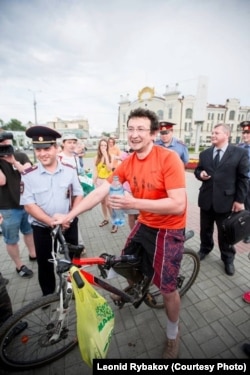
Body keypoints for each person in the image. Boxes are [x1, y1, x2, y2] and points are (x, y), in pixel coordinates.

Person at [53, 107, 187, 359]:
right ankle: (136, 290)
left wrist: (134, 204)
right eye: (131, 128)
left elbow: (178, 203)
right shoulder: (129, 162)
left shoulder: (168, 159)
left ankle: (173, 334)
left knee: (167, 287)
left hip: (168, 229)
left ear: (153, 133)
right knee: (125, 261)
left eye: (141, 129)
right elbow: (99, 192)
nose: (134, 134)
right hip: (145, 223)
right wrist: (69, 216)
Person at [20, 126, 83, 297]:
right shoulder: (28, 175)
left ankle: (76, 291)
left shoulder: (69, 170)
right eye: (38, 149)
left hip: (68, 224)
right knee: (45, 262)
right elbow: (29, 205)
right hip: (42, 228)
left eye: (47, 148)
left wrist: (69, 217)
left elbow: (78, 194)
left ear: (56, 148)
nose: (42, 153)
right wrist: (52, 222)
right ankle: (48, 296)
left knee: (72, 260)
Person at [194, 123, 249, 276]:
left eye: (216, 132)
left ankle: (228, 258)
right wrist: (200, 174)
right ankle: (205, 248)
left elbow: (243, 178)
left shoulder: (239, 153)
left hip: (226, 202)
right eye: (212, 132)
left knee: (225, 233)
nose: (213, 135)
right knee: (205, 229)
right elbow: (198, 170)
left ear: (227, 135)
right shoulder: (205, 153)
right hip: (206, 200)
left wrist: (239, 200)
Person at [0, 131, 36, 279]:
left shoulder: (20, 155)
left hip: (26, 204)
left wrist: (13, 161)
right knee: (12, 239)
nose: (5, 147)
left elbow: (28, 172)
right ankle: (19, 265)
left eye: (7, 143)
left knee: (29, 232)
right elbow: (2, 181)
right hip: (7, 207)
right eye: (2, 145)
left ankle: (33, 254)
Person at [93, 138, 117, 233]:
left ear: (107, 147)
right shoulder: (96, 157)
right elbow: (96, 170)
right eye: (101, 145)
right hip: (99, 181)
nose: (103, 147)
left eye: (105, 145)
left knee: (108, 203)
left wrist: (106, 156)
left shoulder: (111, 156)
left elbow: (109, 168)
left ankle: (115, 222)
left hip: (107, 182)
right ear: (99, 147)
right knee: (102, 202)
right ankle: (106, 218)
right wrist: (94, 180)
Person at [238, 121, 250, 243]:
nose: (245, 135)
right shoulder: (240, 147)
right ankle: (242, 229)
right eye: (244, 132)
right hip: (240, 183)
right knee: (241, 207)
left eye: (248, 133)